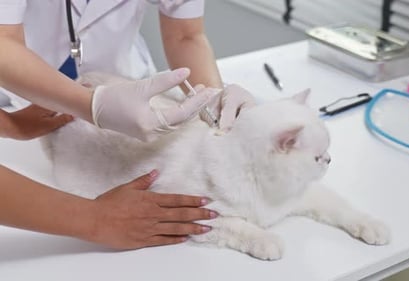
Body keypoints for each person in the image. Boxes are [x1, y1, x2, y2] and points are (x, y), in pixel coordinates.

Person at [0, 0, 253, 249]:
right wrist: (91, 104)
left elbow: (186, 34)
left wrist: (212, 97)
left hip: (124, 79)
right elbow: (4, 41)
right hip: (16, 89)